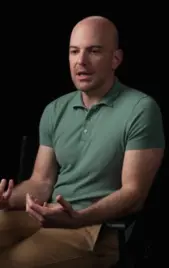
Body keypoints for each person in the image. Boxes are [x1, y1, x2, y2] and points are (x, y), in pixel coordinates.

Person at [0, 16, 165, 267]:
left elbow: (134, 194)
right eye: (74, 51)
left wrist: (79, 218)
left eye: (94, 51)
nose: (81, 62)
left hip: (97, 230)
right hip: (47, 213)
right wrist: (7, 200)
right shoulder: (55, 109)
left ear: (115, 59)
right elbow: (41, 183)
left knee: (11, 262)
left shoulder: (141, 109)